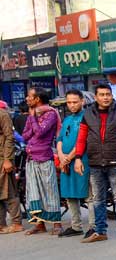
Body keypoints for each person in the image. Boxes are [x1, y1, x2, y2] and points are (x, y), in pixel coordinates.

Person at [74, 84, 116, 243]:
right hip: (94, 162)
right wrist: (78, 158)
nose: (105, 97)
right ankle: (100, 231)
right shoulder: (87, 114)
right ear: (96, 97)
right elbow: (81, 138)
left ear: (111, 95)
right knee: (98, 198)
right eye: (102, 94)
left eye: (108, 94)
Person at [22, 87, 62, 235]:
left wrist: (32, 118)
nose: (27, 99)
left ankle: (57, 223)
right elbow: (25, 136)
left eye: (29, 96)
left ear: (37, 99)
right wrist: (33, 121)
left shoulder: (50, 114)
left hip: (44, 157)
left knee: (50, 190)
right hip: (31, 157)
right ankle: (40, 223)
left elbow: (39, 132)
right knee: (34, 191)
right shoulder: (33, 115)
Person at [57, 90, 94, 238]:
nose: (72, 105)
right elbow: (59, 139)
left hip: (81, 160)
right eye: (69, 102)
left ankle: (93, 226)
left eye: (75, 102)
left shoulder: (87, 117)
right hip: (66, 161)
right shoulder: (66, 119)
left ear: (82, 101)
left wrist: (69, 157)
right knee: (69, 195)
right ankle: (76, 226)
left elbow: (84, 140)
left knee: (89, 195)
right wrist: (61, 156)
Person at [0, 103, 22, 234]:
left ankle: (16, 222)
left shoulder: (2, 114)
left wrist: (8, 159)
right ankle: (1, 224)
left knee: (9, 191)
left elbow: (10, 137)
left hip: (3, 158)